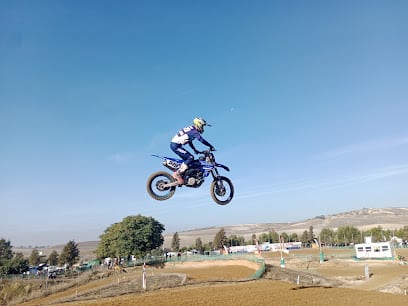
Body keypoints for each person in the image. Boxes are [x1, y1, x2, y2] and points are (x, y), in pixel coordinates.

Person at [170, 117, 215, 184]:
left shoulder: (191, 129)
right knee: (190, 158)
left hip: (176, 145)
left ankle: (184, 175)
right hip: (176, 145)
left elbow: (189, 141)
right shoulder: (194, 131)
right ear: (198, 124)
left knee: (189, 161)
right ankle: (178, 174)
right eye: (202, 126)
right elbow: (201, 140)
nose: (203, 128)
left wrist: (195, 150)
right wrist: (210, 146)